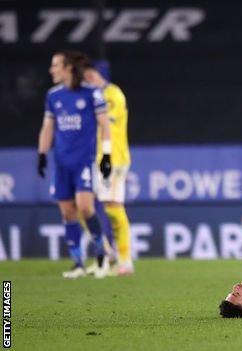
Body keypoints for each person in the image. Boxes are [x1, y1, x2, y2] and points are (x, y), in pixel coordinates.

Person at [37, 50, 112, 279]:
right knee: (68, 211)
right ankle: (78, 263)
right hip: (61, 162)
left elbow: (105, 124)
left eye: (55, 65)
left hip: (84, 161)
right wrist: (42, 153)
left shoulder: (92, 93)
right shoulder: (53, 95)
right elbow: (48, 127)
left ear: (68, 68)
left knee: (86, 207)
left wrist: (106, 155)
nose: (51, 70)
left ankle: (102, 256)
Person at [81, 58, 134, 276]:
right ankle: (106, 252)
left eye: (88, 76)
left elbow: (105, 123)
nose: (86, 80)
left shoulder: (113, 94)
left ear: (96, 75)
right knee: (82, 206)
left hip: (112, 159)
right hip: (94, 158)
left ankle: (125, 261)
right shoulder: (90, 95)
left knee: (113, 208)